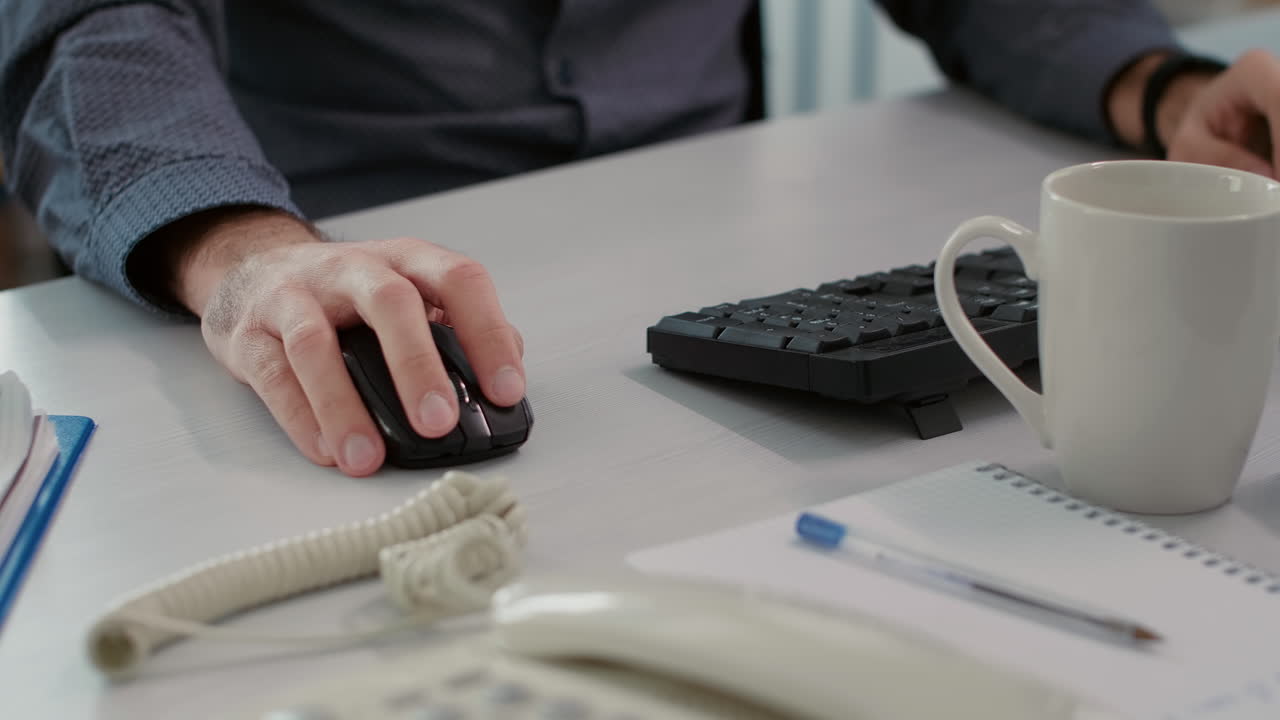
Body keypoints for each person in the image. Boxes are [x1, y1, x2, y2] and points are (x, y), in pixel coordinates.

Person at [2, 2, 1278, 478]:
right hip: (338, 249)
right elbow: (86, 23)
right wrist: (240, 248)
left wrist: (1157, 89)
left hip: (733, 243)